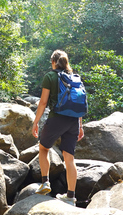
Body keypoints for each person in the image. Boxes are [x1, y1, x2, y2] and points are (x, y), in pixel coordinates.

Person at [31, 50, 84, 206]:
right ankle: (71, 197)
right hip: (73, 121)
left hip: (57, 119)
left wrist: (35, 122)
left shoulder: (50, 76)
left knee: (43, 149)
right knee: (69, 159)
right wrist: (80, 125)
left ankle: (45, 183)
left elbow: (42, 102)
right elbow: (78, 104)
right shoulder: (75, 78)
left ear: (53, 61)